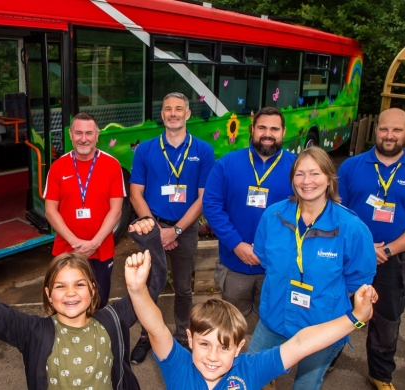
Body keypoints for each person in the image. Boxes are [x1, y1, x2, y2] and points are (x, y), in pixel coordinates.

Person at [123, 242, 379, 390]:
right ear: (189, 339)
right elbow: (156, 327)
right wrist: (137, 289)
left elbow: (302, 343)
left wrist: (356, 316)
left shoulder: (250, 370)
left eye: (224, 348)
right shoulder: (177, 364)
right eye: (204, 344)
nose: (212, 356)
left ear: (239, 348)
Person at [0, 217, 166, 390]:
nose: (70, 293)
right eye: (60, 287)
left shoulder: (112, 320)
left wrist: (149, 240)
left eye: (79, 284)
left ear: (93, 289)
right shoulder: (33, 332)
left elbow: (153, 284)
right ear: (48, 294)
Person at [249, 147, 376, 390]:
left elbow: (358, 280)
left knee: (306, 385)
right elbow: (266, 260)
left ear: (329, 178)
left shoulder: (351, 227)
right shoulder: (272, 216)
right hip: (274, 318)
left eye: (315, 174)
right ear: (292, 179)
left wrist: (324, 300)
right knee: (252, 373)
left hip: (322, 326)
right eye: (300, 174)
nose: (307, 181)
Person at [337, 108, 405, 390]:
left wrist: (388, 250)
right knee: (335, 309)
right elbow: (335, 211)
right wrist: (365, 247)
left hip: (393, 261)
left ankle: (380, 375)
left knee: (386, 320)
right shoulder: (351, 167)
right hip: (349, 256)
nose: (389, 135)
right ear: (376, 130)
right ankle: (324, 361)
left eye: (396, 130)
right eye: (384, 129)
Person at [128, 92, 215, 363]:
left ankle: (181, 336)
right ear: (162, 114)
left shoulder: (202, 151)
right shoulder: (145, 149)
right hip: (151, 228)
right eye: (168, 109)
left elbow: (203, 198)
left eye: (179, 109)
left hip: (184, 229)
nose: (173, 113)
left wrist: (175, 230)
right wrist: (157, 231)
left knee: (183, 288)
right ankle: (146, 336)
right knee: (148, 286)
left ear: (188, 114)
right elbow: (135, 194)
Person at [203, 107, 296, 322]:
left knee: (273, 324)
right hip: (235, 264)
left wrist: (272, 249)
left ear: (283, 132)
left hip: (277, 266)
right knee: (232, 324)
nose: (267, 134)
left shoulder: (298, 168)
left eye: (274, 128)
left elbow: (308, 212)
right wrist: (236, 244)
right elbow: (212, 206)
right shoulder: (226, 164)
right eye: (262, 127)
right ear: (252, 129)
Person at [44, 113, 125, 309]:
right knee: (65, 304)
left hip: (101, 251)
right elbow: (50, 211)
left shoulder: (112, 166)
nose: (83, 138)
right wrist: (74, 242)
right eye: (78, 133)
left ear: (97, 135)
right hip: (66, 250)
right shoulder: (57, 167)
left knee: (99, 302)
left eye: (89, 133)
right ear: (70, 134)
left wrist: (95, 243)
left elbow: (116, 211)